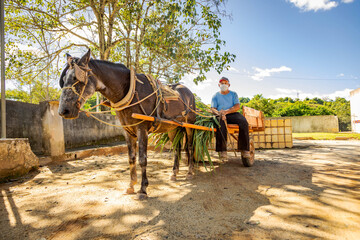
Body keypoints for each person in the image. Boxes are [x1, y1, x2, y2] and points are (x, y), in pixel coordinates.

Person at [211, 77, 250, 160]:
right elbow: (213, 108)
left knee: (243, 122)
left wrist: (226, 112)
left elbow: (237, 106)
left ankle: (244, 149)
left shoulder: (233, 94)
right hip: (220, 114)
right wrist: (220, 113)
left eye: (225, 83)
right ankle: (222, 151)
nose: (223, 85)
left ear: (229, 85)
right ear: (219, 85)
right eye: (222, 83)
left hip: (232, 113)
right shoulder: (215, 96)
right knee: (220, 123)